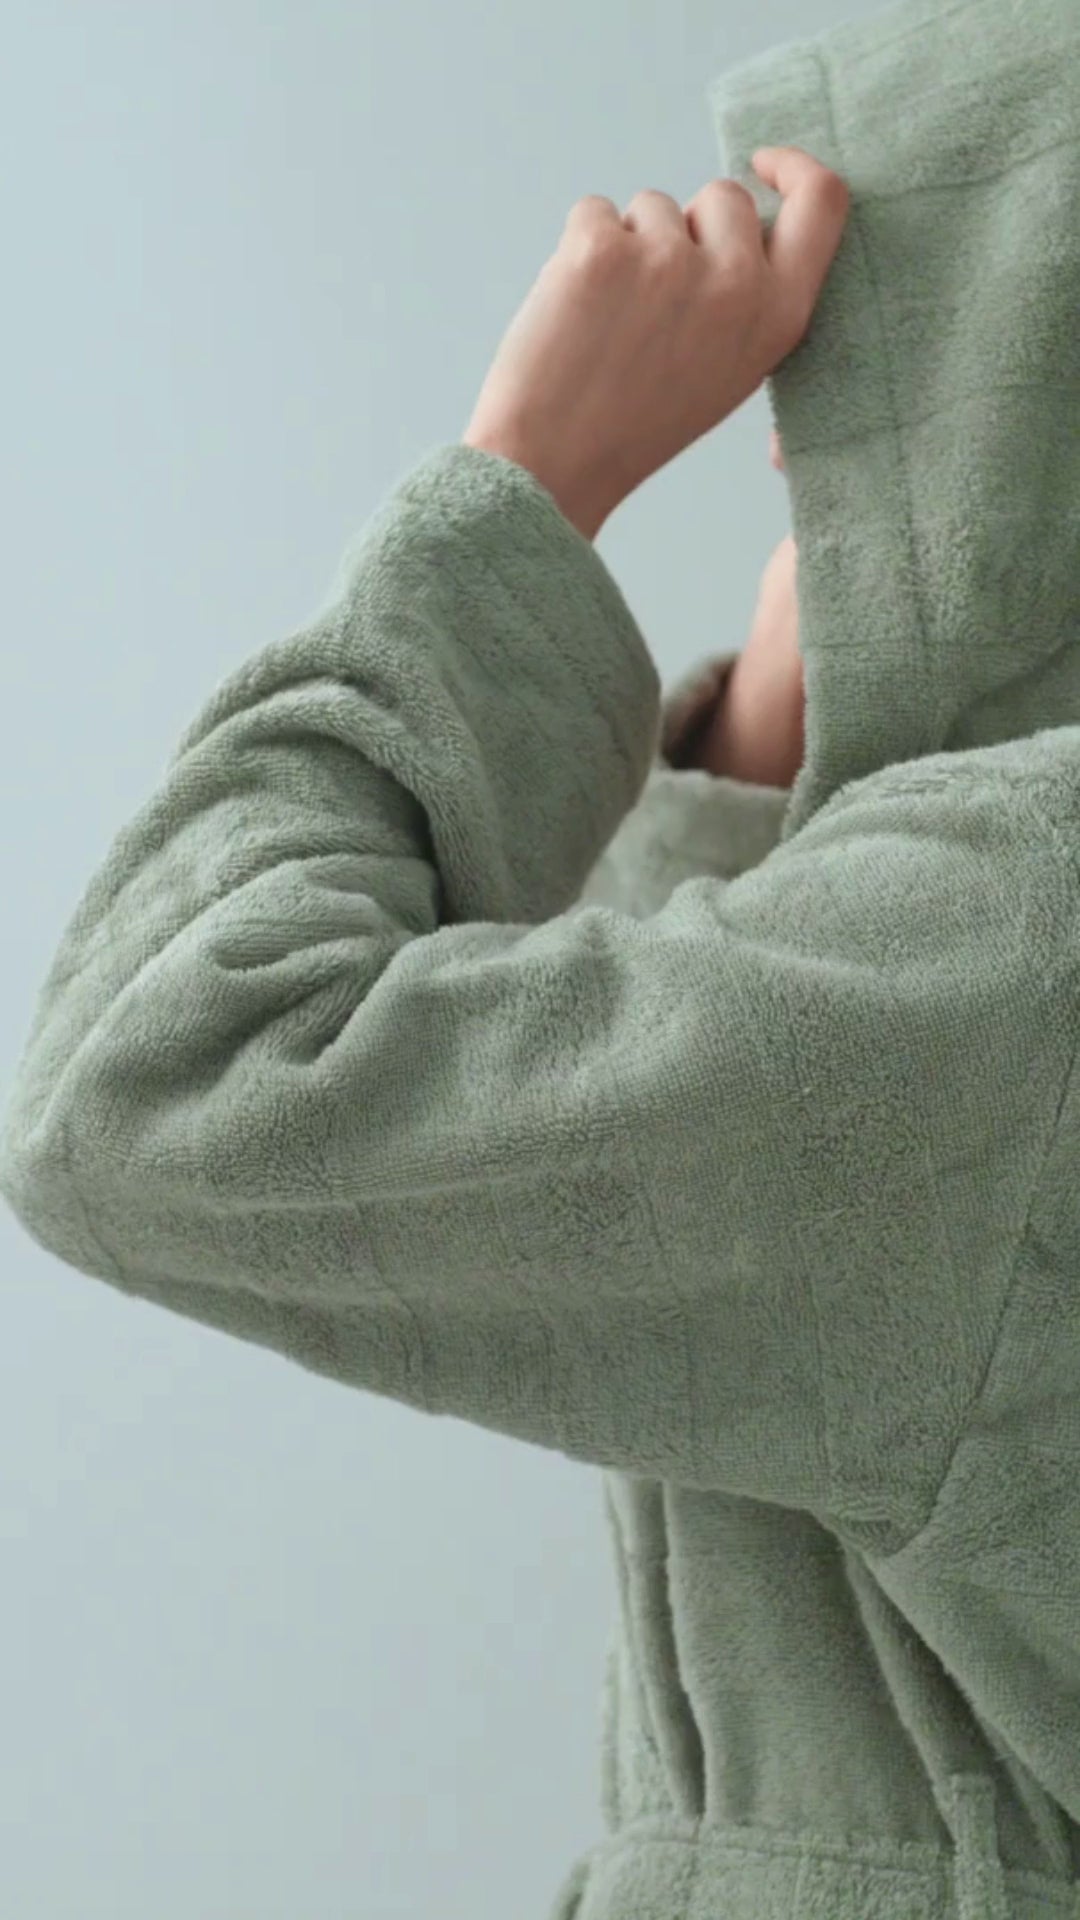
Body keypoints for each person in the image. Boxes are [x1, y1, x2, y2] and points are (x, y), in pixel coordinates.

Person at [5, 0, 1080, 1913]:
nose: (793, 439)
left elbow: (152, 1082)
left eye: (869, 362)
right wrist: (755, 763)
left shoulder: (1014, 949)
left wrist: (522, 485)